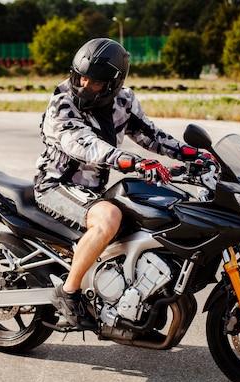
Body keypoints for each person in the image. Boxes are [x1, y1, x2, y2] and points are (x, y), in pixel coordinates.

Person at [34, 38, 210, 329]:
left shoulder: (123, 101)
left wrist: (192, 154)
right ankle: (67, 294)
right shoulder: (61, 103)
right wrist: (134, 162)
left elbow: (150, 135)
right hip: (55, 185)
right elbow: (86, 146)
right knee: (109, 218)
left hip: (91, 191)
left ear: (114, 84)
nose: (84, 86)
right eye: (80, 78)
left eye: (94, 83)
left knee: (151, 218)